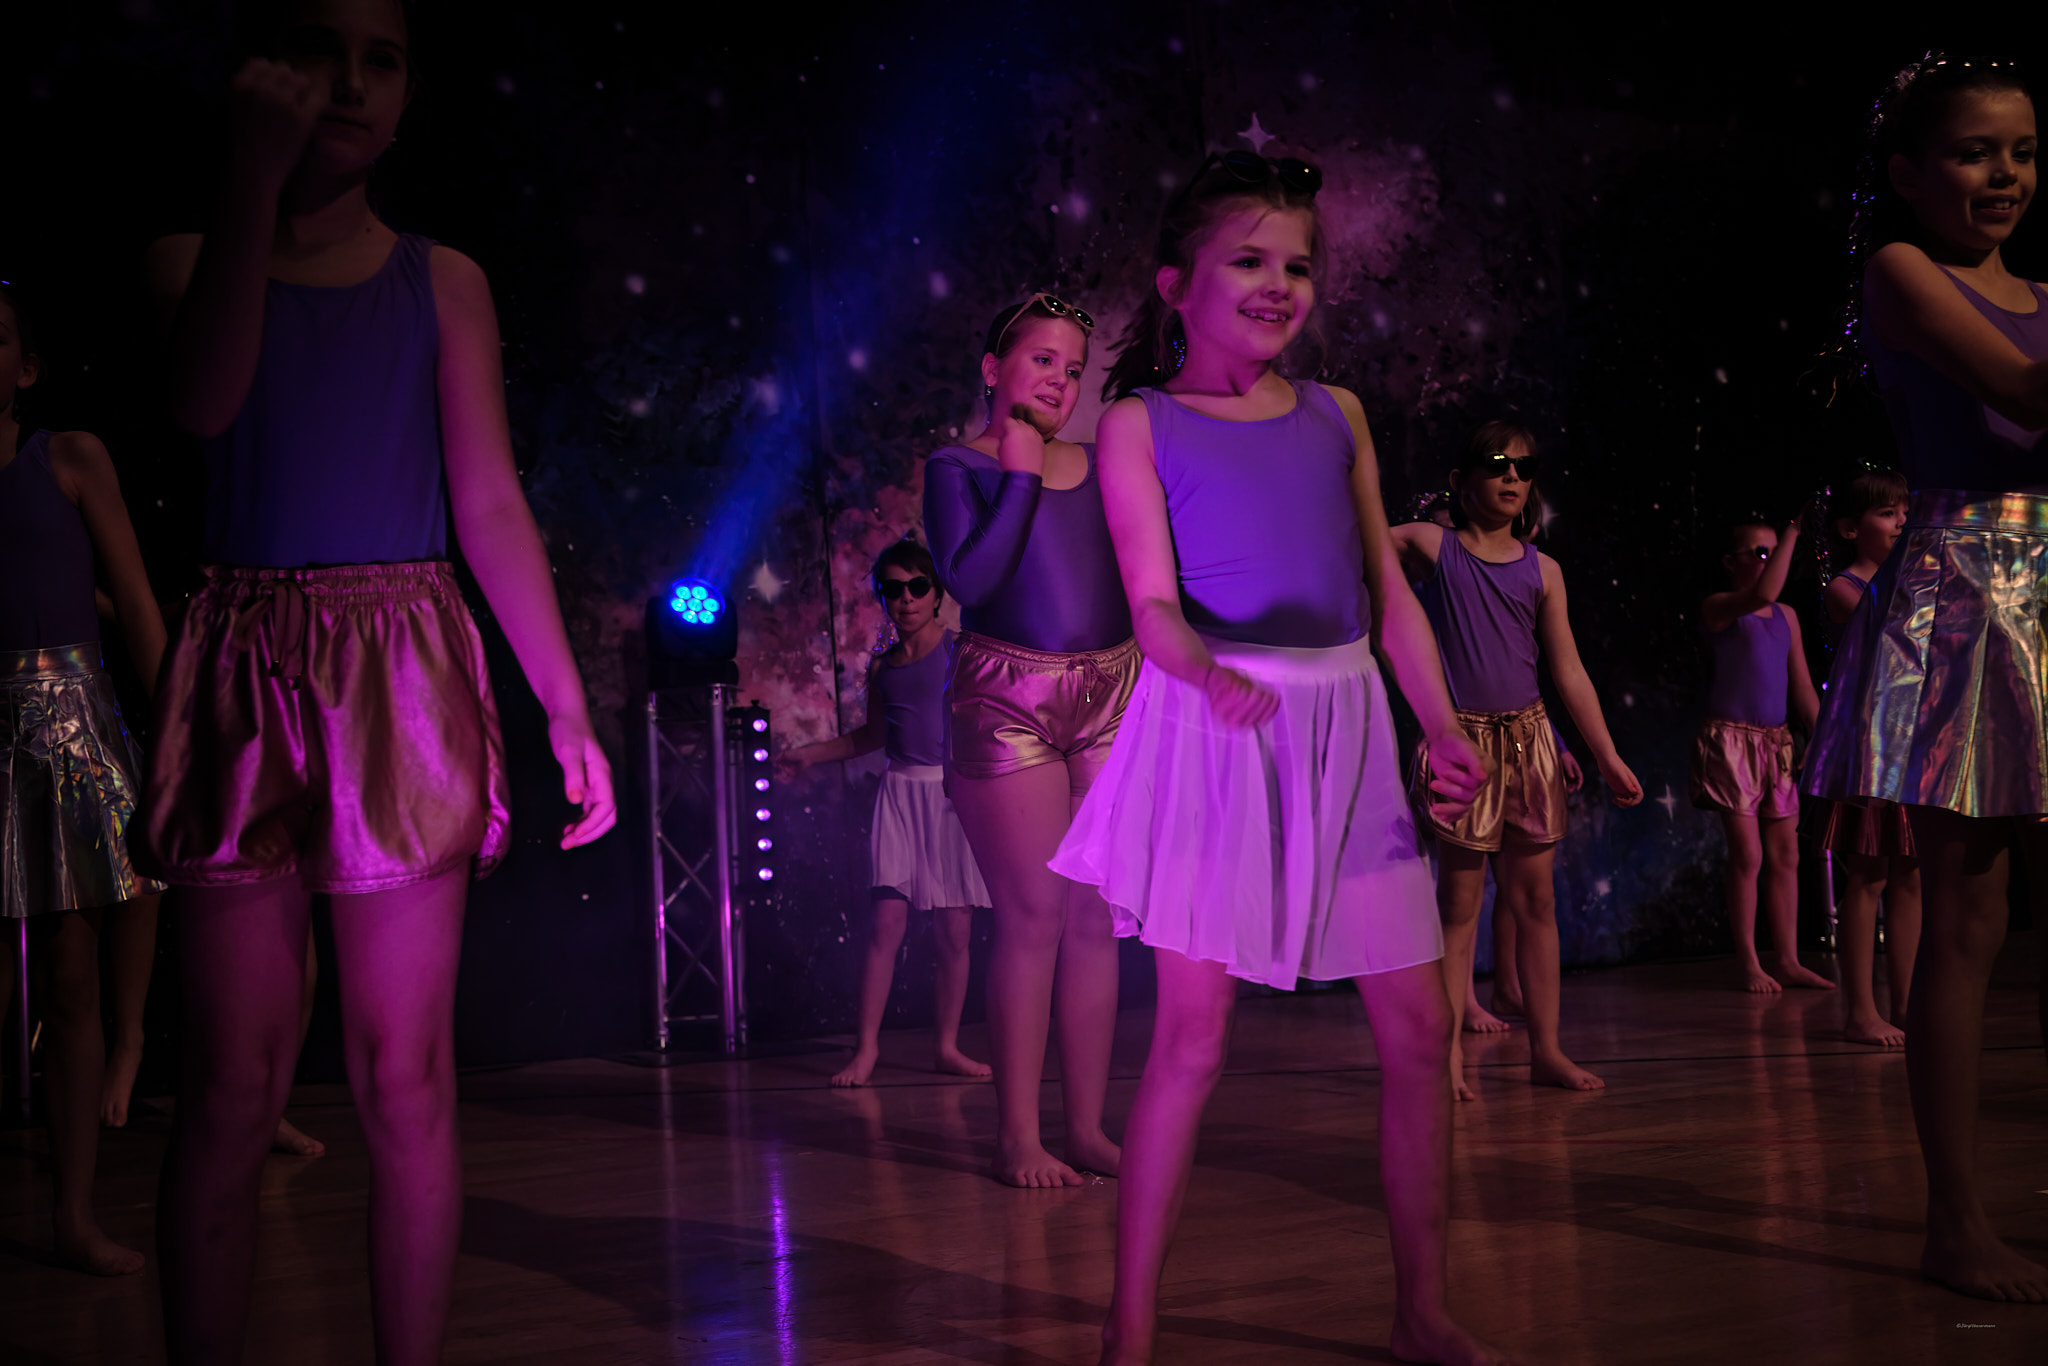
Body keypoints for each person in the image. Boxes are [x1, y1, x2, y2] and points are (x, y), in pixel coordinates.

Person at [140, 1, 616, 1357]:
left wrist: (564, 704)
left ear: (410, 96)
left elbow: (490, 499)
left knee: (405, 1075)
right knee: (230, 1084)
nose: (348, 82)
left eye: (383, 58)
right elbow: (203, 405)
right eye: (316, 48)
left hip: (399, 664)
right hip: (242, 660)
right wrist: (250, 177)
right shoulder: (186, 258)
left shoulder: (441, 281)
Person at [1049, 149, 1509, 1366]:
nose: (1276, 283)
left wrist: (1441, 725)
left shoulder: (1334, 413)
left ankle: (1420, 1310)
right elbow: (1152, 602)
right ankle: (1128, 1329)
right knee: (1192, 1035)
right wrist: (1202, 672)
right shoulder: (1138, 423)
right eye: (1247, 260)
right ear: (1174, 284)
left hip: (1347, 721)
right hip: (1217, 726)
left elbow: (1386, 596)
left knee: (1417, 1028)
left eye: (1295, 265)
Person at [1805, 54, 2048, 1302]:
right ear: (1907, 173)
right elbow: (2018, 392)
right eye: (1972, 151)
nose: (2002, 173)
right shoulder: (1900, 272)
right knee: (1964, 915)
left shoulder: (2044, 293)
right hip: (1969, 592)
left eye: (2020, 150)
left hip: (2045, 583)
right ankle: (1953, 1219)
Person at [924, 293, 1136, 1188]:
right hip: (1009, 698)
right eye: (1043, 359)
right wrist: (1017, 474)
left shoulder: (1099, 463)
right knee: (1035, 914)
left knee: (1095, 918)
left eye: (1074, 368)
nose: (1060, 380)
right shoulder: (956, 466)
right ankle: (1018, 1136)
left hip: (1111, 692)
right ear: (993, 368)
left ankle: (1084, 1128)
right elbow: (970, 579)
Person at [1394, 421, 1642, 1098]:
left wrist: (1604, 753)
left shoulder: (1544, 571)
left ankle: (1547, 1050)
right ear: (1461, 479)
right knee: (1459, 903)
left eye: (1524, 469)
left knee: (1535, 901)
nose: (1511, 476)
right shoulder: (1433, 546)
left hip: (1530, 742)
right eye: (1497, 463)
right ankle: (1445, 1055)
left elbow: (1567, 670)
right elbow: (1356, 540)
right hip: (1463, 743)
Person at [0, 281, 166, 1276]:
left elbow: (136, 602)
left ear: (26, 366)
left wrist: (183, 733)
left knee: (71, 972)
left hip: (68, 733)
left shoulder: (67, 457)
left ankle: (72, 1216)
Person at [779, 540, 991, 1087]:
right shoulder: (884, 667)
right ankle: (866, 1049)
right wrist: (809, 755)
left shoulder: (961, 652)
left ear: (936, 593)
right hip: (900, 796)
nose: (906, 598)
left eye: (917, 586)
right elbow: (872, 736)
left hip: (952, 799)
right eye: (894, 589)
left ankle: (946, 1046)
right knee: (885, 926)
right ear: (882, 597)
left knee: (954, 931)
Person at [1692, 518, 1831, 993]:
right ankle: (1750, 961)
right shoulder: (1721, 607)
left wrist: (1823, 738)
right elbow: (1762, 594)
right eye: (1761, 552)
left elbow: (1802, 686)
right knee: (1748, 854)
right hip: (1731, 743)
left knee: (1786, 852)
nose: (1771, 561)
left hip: (1776, 743)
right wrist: (1793, 533)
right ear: (1731, 563)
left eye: (1775, 550)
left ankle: (1788, 959)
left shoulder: (1786, 616)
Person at [1811, 469, 1921, 1047]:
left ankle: (1905, 1004)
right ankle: (1859, 1010)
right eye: (1887, 514)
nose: (1901, 522)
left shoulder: (1912, 581)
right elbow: (1884, 630)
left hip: (1909, 744)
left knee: (1911, 874)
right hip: (1869, 751)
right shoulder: (1847, 586)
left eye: (1905, 512)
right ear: (1852, 529)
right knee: (1868, 875)